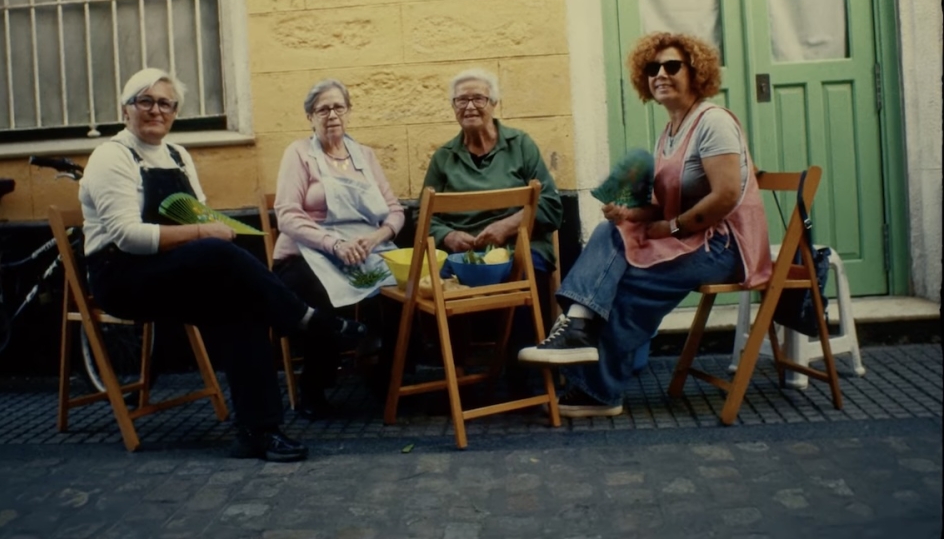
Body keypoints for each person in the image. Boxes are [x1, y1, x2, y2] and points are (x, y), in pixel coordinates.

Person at [80, 68, 365, 462]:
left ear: (175, 111)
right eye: (144, 101)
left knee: (242, 307)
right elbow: (129, 236)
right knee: (214, 251)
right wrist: (203, 235)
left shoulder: (177, 155)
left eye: (165, 103)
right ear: (125, 110)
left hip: (177, 271)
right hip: (124, 278)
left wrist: (207, 231)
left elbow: (197, 217)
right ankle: (307, 319)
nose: (155, 110)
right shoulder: (111, 157)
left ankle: (259, 431)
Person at [518, 32, 772, 418]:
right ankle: (580, 326)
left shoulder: (713, 122)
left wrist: (670, 229)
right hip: (692, 236)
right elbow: (663, 204)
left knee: (629, 283)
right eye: (652, 68)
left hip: (724, 245)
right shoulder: (670, 131)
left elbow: (723, 197)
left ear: (696, 71)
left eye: (672, 66)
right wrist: (631, 216)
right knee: (610, 232)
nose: (660, 74)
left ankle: (599, 386)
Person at [272, 79, 405, 419]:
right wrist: (334, 244)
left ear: (348, 112)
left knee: (405, 290)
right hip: (308, 253)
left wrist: (375, 238)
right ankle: (313, 388)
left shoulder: (365, 156)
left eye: (338, 107)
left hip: (364, 251)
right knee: (320, 295)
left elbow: (395, 211)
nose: (331, 115)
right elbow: (286, 214)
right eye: (322, 109)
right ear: (310, 117)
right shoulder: (299, 154)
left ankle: (388, 379)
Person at [423, 68, 563, 378]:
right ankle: (458, 373)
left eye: (478, 98)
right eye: (461, 100)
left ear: (494, 103)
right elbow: (425, 218)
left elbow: (553, 206)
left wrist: (508, 226)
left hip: (518, 246)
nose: (469, 106)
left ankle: (524, 371)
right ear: (453, 107)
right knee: (434, 282)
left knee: (527, 271)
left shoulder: (520, 145)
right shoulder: (444, 157)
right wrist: (448, 236)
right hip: (464, 254)